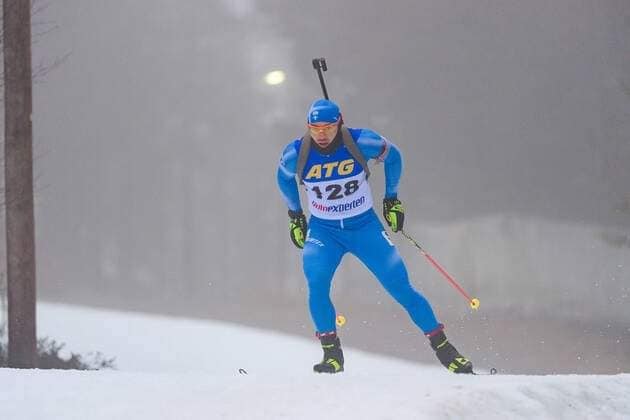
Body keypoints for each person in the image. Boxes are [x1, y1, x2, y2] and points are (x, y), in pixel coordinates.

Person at [276, 98, 473, 374]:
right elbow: (282, 176)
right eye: (314, 128)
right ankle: (332, 355)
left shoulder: (362, 142)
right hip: (324, 231)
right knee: (317, 283)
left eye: (328, 127)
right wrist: (295, 214)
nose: (321, 134)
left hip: (364, 227)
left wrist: (391, 198)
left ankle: (445, 349)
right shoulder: (297, 153)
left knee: (401, 288)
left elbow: (394, 156)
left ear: (339, 123)